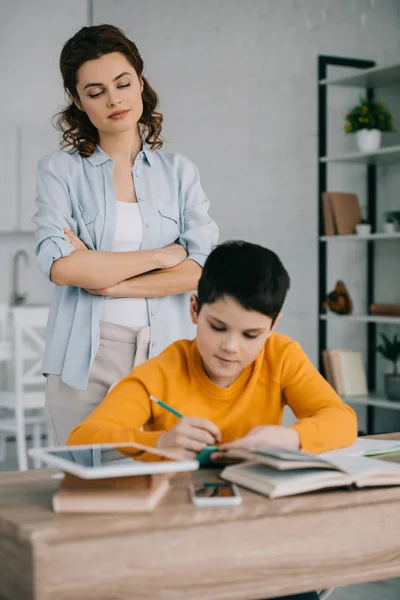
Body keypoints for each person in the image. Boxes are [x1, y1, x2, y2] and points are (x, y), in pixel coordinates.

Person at [69, 240, 357, 600]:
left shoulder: (281, 356)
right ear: (194, 309)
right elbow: (84, 439)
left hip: (261, 535)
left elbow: (341, 419)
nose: (231, 347)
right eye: (218, 327)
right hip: (183, 539)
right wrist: (160, 443)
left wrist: (288, 439)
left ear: (273, 325)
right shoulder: (162, 371)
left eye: (251, 334)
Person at [32, 24, 218, 445]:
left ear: (140, 82)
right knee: (88, 487)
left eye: (122, 83)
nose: (114, 99)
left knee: (165, 485)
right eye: (95, 91)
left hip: (167, 353)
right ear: (79, 102)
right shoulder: (59, 171)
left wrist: (111, 284)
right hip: (84, 358)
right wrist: (164, 255)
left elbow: (203, 269)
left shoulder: (179, 172)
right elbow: (62, 267)